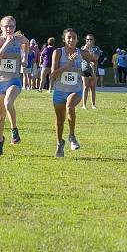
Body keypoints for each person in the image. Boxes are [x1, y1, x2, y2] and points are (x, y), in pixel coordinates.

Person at [50, 28, 98, 157]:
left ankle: (72, 136)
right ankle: (60, 144)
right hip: (59, 91)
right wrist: (69, 64)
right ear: (64, 39)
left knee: (70, 106)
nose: (71, 40)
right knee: (60, 121)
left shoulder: (81, 53)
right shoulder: (58, 52)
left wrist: (92, 70)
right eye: (69, 37)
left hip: (76, 90)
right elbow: (53, 74)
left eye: (74, 37)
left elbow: (94, 59)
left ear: (77, 40)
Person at [0, 16, 28, 155]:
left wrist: (24, 58)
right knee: (0, 115)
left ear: (15, 27)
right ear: (1, 28)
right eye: (6, 26)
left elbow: (27, 43)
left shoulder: (19, 39)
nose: (9, 29)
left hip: (14, 80)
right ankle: (0, 141)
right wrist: (6, 43)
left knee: (8, 103)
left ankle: (14, 129)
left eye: (11, 26)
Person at [81, 34, 102, 109]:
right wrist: (86, 50)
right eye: (87, 39)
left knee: (93, 88)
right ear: (85, 40)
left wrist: (89, 51)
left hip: (94, 70)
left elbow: (96, 58)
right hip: (85, 69)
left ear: (93, 40)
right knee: (85, 87)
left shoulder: (96, 49)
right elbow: (83, 57)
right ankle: (84, 105)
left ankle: (93, 104)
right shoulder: (83, 48)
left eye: (91, 39)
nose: (89, 41)